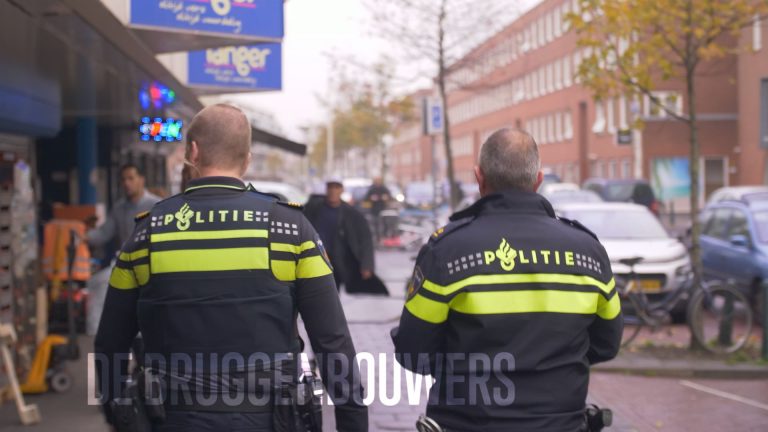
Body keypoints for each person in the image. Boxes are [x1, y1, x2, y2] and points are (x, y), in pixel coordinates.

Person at [95, 104, 368, 432]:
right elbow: (333, 341)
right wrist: (353, 422)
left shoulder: (146, 233)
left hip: (173, 419)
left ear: (192, 152)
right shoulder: (290, 230)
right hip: (270, 420)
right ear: (247, 158)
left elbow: (109, 342)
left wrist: (120, 415)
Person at [392, 128, 622, 432]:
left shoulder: (447, 251)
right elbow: (607, 344)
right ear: (538, 179)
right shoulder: (587, 251)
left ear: (479, 177)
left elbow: (412, 352)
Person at [304, 179, 386, 295]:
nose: (333, 191)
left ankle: (332, 312)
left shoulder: (352, 214)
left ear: (342, 190)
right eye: (330, 187)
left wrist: (367, 265)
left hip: (340, 261)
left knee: (332, 294)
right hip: (316, 259)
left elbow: (365, 239)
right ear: (326, 189)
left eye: (336, 187)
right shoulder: (314, 209)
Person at [87, 163, 161, 248]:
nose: (126, 183)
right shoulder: (118, 208)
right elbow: (104, 233)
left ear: (141, 180)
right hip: (127, 259)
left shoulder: (156, 205)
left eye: (131, 178)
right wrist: (85, 236)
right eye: (123, 179)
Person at [363, 177, 391, 241]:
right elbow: (366, 198)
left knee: (384, 223)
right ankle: (377, 237)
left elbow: (389, 196)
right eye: (377, 181)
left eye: (379, 181)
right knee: (375, 224)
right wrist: (371, 198)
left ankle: (384, 236)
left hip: (383, 209)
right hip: (374, 209)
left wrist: (386, 198)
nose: (378, 182)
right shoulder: (371, 189)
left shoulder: (384, 188)